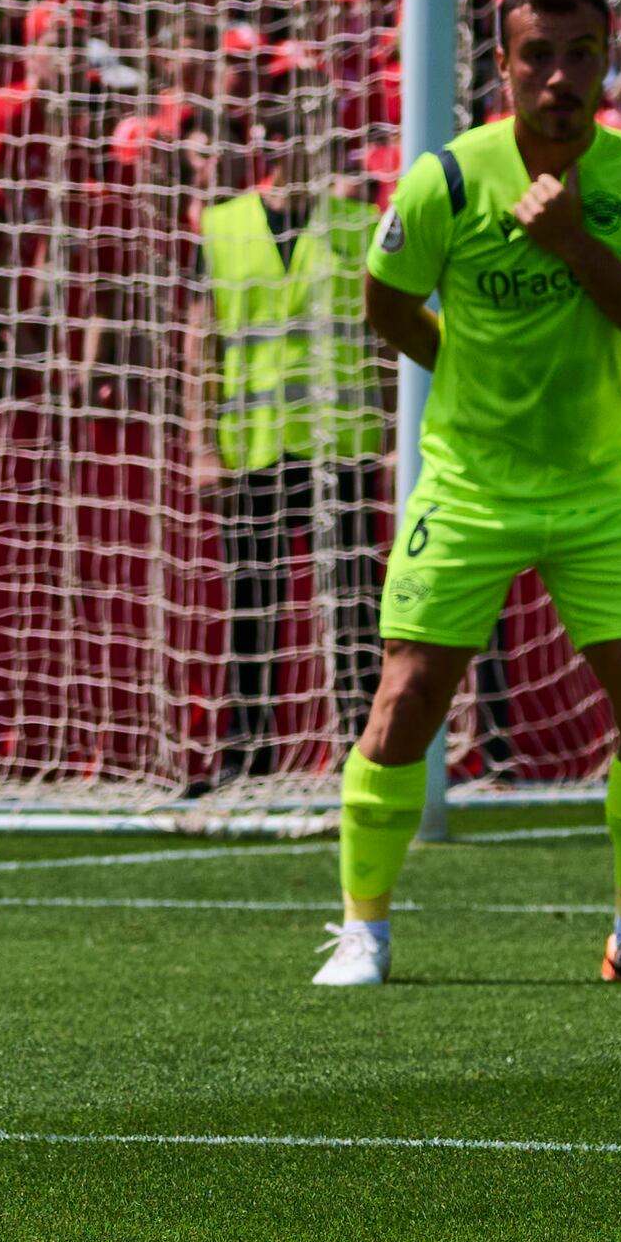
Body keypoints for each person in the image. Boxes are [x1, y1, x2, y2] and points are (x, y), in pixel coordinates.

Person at [323, 0, 621, 987]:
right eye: (535, 56)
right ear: (500, 66)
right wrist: (462, 372)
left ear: (608, 63)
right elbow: (385, 302)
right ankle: (363, 928)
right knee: (409, 696)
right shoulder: (445, 180)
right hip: (468, 486)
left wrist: (575, 244)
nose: (557, 77)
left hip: (599, 487)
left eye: (578, 55)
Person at [193, 124, 386, 792]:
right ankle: (247, 756)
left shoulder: (363, 224)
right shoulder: (222, 226)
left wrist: (392, 430)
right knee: (252, 609)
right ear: (262, 142)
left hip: (344, 442)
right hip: (254, 444)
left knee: (358, 609)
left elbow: (387, 333)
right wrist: (201, 445)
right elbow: (204, 338)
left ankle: (364, 750)